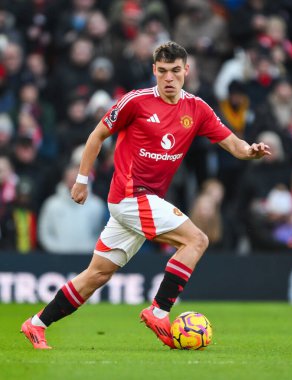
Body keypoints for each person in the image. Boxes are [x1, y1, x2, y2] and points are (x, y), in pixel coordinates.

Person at [20, 41, 271, 350]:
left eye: (175, 71)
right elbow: (97, 135)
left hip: (143, 202)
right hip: (129, 196)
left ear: (186, 71)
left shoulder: (197, 109)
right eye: (163, 71)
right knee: (197, 240)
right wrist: (82, 180)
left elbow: (234, 145)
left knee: (97, 274)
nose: (169, 78)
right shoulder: (135, 102)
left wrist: (251, 150)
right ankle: (160, 310)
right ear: (154, 70)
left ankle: (36, 324)